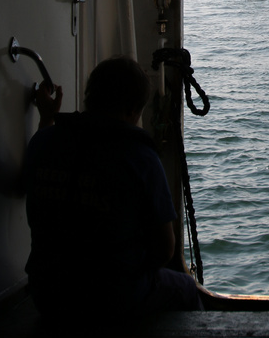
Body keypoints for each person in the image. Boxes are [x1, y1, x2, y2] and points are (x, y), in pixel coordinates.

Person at [24, 56, 203, 319]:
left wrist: (47, 119)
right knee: (187, 288)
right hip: (110, 297)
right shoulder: (139, 157)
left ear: (89, 96)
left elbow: (24, 181)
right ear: (132, 110)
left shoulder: (43, 142)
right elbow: (165, 248)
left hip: (48, 294)